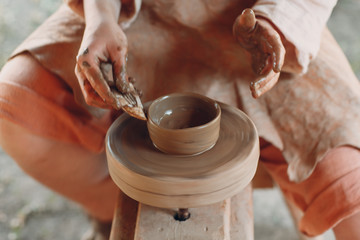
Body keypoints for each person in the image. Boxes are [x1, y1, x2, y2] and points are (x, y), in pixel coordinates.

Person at [0, 0, 360, 239]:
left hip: (262, 23)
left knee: (350, 190)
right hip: (141, 16)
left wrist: (281, 21)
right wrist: (102, 17)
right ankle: (108, 206)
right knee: (15, 106)